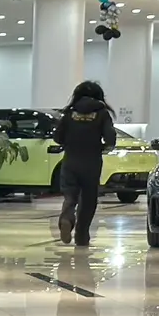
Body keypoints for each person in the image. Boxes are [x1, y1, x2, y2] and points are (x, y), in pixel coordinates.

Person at [52, 80, 116, 246]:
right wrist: (103, 146)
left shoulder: (70, 113)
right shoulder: (102, 113)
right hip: (92, 162)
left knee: (70, 197)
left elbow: (57, 137)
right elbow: (110, 138)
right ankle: (82, 236)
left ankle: (66, 219)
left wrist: (69, 141)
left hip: (71, 160)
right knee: (88, 200)